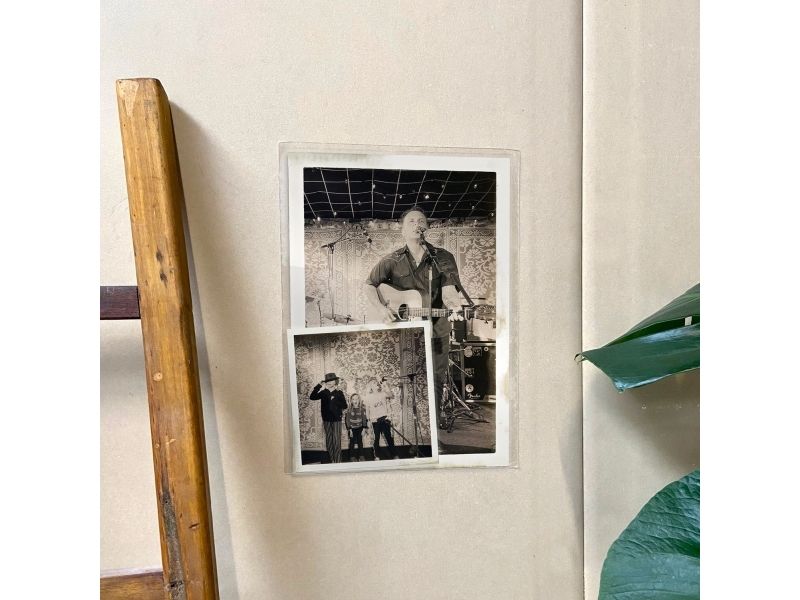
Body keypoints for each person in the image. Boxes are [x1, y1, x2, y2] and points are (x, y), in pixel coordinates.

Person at [363, 207, 464, 429]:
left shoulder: (443, 257)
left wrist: (454, 306)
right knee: (405, 379)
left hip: (437, 328)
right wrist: (381, 309)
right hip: (404, 331)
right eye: (411, 221)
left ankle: (434, 431)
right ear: (402, 230)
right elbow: (370, 285)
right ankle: (409, 428)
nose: (417, 224)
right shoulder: (392, 260)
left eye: (421, 220)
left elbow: (449, 291)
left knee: (435, 380)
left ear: (426, 227)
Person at [309, 372, 348, 463]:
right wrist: (319, 385)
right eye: (327, 381)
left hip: (337, 419)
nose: (329, 382)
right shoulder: (323, 392)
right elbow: (312, 397)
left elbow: (345, 406)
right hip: (326, 419)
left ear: (335, 381)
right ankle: (332, 460)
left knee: (336, 440)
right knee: (329, 440)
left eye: (331, 380)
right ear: (325, 382)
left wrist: (334, 400)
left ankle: (338, 461)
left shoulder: (339, 393)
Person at [364, 378, 398, 460]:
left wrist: (385, 385)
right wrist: (368, 421)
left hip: (384, 418)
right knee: (376, 439)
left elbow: (391, 395)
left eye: (376, 382)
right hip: (375, 420)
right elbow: (367, 410)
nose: (376, 383)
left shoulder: (382, 393)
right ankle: (377, 456)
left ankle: (394, 454)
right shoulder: (368, 397)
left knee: (389, 437)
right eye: (373, 383)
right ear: (370, 386)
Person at [344, 393, 368, 461]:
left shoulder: (362, 409)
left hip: (360, 428)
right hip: (352, 429)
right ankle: (352, 456)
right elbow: (347, 420)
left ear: (359, 400)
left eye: (357, 399)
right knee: (352, 443)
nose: (355, 400)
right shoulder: (349, 410)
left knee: (360, 442)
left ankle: (361, 456)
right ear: (351, 401)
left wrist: (364, 429)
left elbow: (364, 419)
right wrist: (350, 430)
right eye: (353, 399)